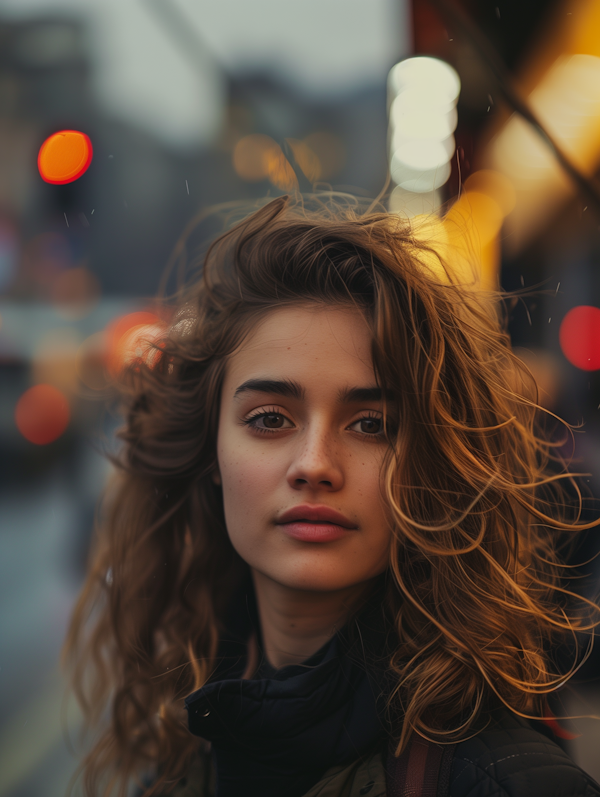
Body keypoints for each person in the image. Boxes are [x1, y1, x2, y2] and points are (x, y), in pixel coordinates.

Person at [62, 193, 600, 797]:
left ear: (427, 463)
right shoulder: (185, 745)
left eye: (371, 424)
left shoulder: (503, 782)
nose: (315, 466)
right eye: (269, 419)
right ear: (210, 450)